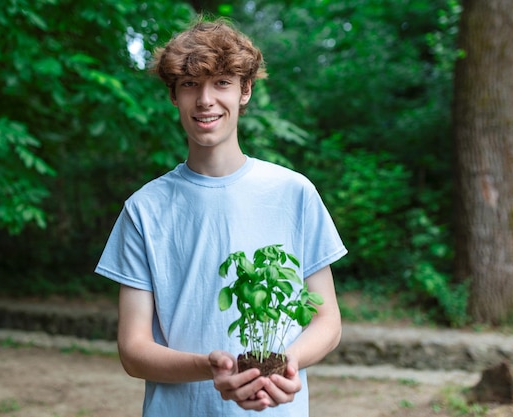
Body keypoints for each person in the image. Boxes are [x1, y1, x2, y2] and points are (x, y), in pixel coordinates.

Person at [95, 17, 347, 417]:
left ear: (245, 91)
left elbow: (327, 320)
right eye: (190, 84)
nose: (206, 100)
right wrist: (212, 369)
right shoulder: (143, 209)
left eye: (222, 83)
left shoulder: (294, 193)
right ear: (174, 96)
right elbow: (133, 349)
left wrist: (285, 365)